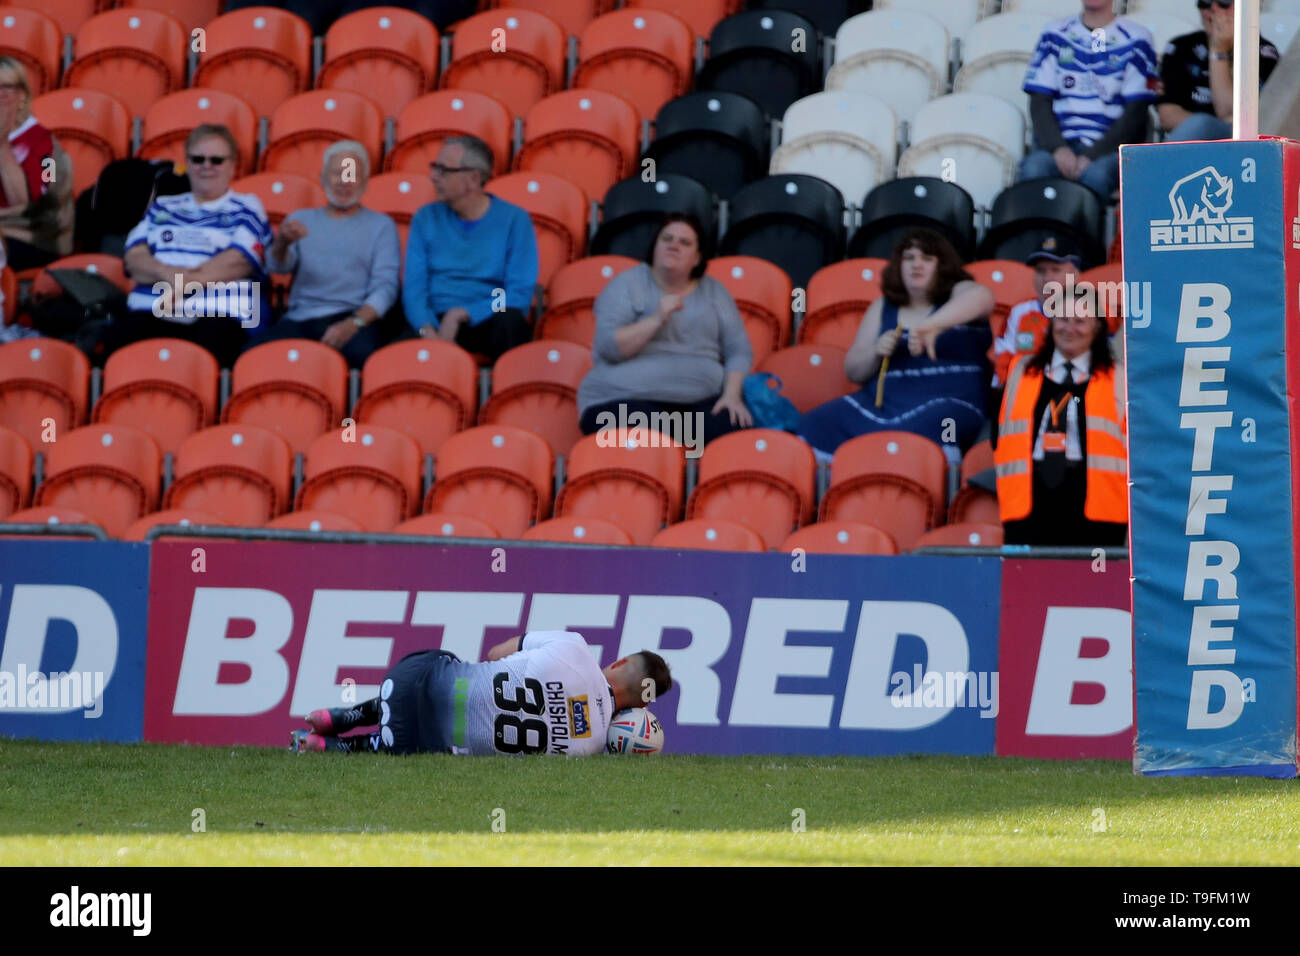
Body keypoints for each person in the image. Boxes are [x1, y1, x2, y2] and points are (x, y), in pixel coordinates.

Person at [291, 631, 673, 757]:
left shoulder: (573, 646)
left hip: (406, 680)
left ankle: (342, 716)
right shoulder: (589, 749)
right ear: (637, 708)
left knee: (454, 665)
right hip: (412, 743)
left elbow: (494, 655)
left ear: (621, 662)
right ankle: (334, 747)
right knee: (399, 743)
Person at [798, 228, 994, 460]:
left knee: (942, 425)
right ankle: (843, 491)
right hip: (884, 406)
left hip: (950, 404)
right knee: (818, 423)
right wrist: (876, 351)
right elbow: (853, 371)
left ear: (942, 266)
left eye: (927, 259)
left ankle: (937, 488)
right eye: (909, 258)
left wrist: (933, 325)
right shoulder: (882, 306)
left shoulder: (958, 293)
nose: (916, 265)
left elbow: (983, 299)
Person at [577, 213, 753, 449]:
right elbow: (609, 348)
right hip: (622, 401)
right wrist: (655, 319)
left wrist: (731, 396)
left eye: (685, 242)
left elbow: (738, 350)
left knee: (734, 426)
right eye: (667, 239)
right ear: (654, 247)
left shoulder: (715, 292)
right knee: (644, 426)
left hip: (695, 406)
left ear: (698, 258)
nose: (674, 245)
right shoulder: (627, 285)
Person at [108, 123, 271, 367]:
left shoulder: (247, 207)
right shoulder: (162, 206)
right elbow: (134, 257)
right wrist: (167, 273)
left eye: (216, 160)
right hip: (153, 309)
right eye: (198, 159)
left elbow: (239, 262)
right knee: (119, 343)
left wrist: (180, 285)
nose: (206, 166)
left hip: (219, 312)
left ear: (233, 166)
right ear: (187, 163)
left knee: (212, 344)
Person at [246, 140, 401, 367]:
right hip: (300, 318)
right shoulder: (300, 219)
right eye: (338, 173)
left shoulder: (381, 226)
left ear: (365, 182)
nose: (344, 183)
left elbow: (385, 289)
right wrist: (282, 242)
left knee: (365, 358)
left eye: (352, 175)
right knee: (252, 356)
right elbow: (279, 267)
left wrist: (352, 324)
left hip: (353, 317)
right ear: (322, 178)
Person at [995, 283, 1127, 547]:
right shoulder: (1019, 370)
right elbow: (997, 434)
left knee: (1090, 588)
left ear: (1098, 327)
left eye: (1080, 321)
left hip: (1098, 510)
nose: (1069, 328)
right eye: (1063, 318)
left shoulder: (1119, 377)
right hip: (1029, 504)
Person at [402, 135, 538, 361]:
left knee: (511, 322)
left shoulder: (514, 220)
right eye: (435, 167)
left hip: (488, 315)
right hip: (434, 317)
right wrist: (429, 333)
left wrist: (462, 314)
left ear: (473, 179)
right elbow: (414, 291)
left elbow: (517, 294)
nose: (433, 177)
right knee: (395, 352)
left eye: (443, 170)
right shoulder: (425, 218)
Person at [1019, 0, 1158, 200]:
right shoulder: (1054, 33)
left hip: (1109, 151)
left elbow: (1136, 112)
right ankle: (1037, 232)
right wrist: (1059, 149)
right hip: (1058, 146)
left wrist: (1092, 155)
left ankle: (1080, 232)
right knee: (1034, 168)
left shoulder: (1138, 38)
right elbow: (1039, 101)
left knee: (1096, 177)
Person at [987, 236, 1084, 434]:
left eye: (1055, 270)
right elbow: (1003, 371)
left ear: (1074, 275)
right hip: (1026, 407)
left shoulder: (1095, 314)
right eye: (1040, 271)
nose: (1047, 278)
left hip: (1079, 407)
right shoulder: (1020, 313)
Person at [1157, 0, 1280, 143]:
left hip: (1239, 147)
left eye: (1224, 2)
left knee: (1202, 124)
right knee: (1201, 124)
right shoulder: (1181, 47)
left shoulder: (1263, 52)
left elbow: (1232, 116)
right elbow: (1168, 116)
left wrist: (1219, 51)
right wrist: (1205, 128)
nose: (1214, 9)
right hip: (1191, 146)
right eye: (1205, 2)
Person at [0, 57, 73, 271]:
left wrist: (2, 144)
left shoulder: (45, 144)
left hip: (35, 239)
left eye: (7, 88)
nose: (1, 96)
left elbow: (33, 205)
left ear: (23, 95)